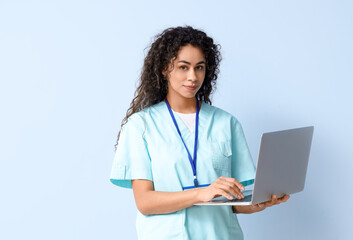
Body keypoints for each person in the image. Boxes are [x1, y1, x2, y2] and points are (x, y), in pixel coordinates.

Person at [110, 26, 290, 240]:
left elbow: (232, 203)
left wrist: (257, 205)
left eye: (200, 67)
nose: (193, 77)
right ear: (164, 69)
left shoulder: (226, 123)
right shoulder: (141, 125)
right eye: (183, 67)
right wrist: (201, 193)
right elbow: (145, 203)